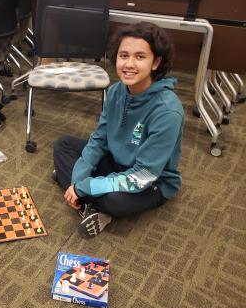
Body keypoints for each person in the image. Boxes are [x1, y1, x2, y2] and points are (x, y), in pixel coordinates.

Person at [53, 21, 183, 238]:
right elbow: (99, 139)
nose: (129, 64)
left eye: (140, 57)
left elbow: (142, 175)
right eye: (124, 55)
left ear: (155, 62)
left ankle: (83, 196)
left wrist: (84, 187)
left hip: (153, 180)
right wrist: (79, 179)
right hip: (117, 162)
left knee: (115, 201)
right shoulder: (115, 91)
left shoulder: (168, 111)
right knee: (63, 145)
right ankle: (88, 201)